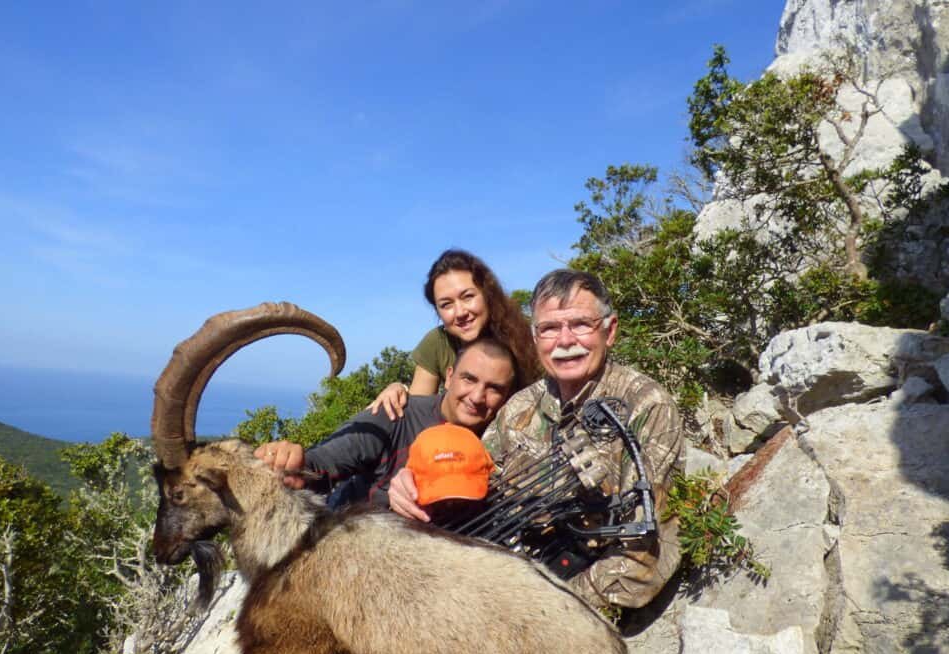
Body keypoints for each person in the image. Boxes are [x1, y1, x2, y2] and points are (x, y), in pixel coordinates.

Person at [388, 269, 684, 610]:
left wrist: (535, 606)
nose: (565, 341)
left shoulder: (646, 406)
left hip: (566, 611)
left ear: (610, 330)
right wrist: (412, 481)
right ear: (535, 337)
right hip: (495, 582)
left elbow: (642, 559)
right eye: (550, 329)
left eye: (581, 324)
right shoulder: (519, 408)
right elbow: (470, 482)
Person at [255, 337, 516, 508]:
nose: (478, 397)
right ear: (449, 377)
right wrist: (294, 464)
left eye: (494, 388)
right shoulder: (395, 414)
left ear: (507, 395)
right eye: (468, 379)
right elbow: (323, 463)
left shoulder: (503, 438)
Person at [367, 249, 540, 420]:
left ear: (488, 295)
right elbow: (418, 412)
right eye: (446, 304)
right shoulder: (437, 343)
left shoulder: (527, 338)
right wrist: (398, 389)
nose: (460, 312)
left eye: (468, 297)